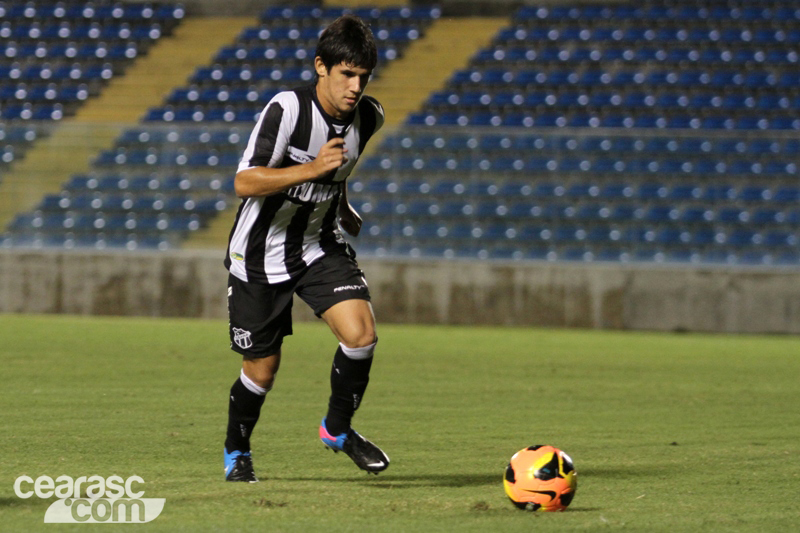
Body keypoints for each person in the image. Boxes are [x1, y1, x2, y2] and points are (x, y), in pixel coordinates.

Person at [222, 14, 389, 482]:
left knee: (361, 336)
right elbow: (244, 181)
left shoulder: (369, 116)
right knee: (262, 369)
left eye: (363, 77)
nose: (355, 87)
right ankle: (237, 452)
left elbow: (340, 167)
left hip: (318, 244)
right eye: (346, 75)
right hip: (259, 254)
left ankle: (337, 429)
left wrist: (341, 205)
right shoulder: (288, 110)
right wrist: (312, 170)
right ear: (321, 66)